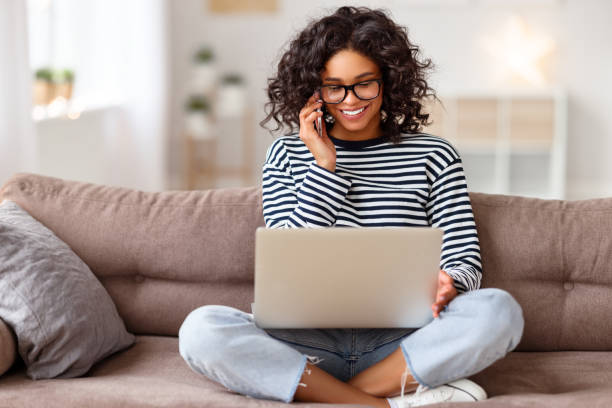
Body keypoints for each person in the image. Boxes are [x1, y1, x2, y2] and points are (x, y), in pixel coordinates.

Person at [179, 6, 524, 408]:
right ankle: (386, 401)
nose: (350, 100)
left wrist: (450, 284)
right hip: (306, 341)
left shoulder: (434, 154)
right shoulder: (287, 154)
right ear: (314, 91)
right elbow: (291, 258)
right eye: (334, 87)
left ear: (389, 82)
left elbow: (465, 260)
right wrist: (325, 166)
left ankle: (335, 395)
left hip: (405, 339)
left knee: (498, 311)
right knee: (201, 330)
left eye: (364, 85)